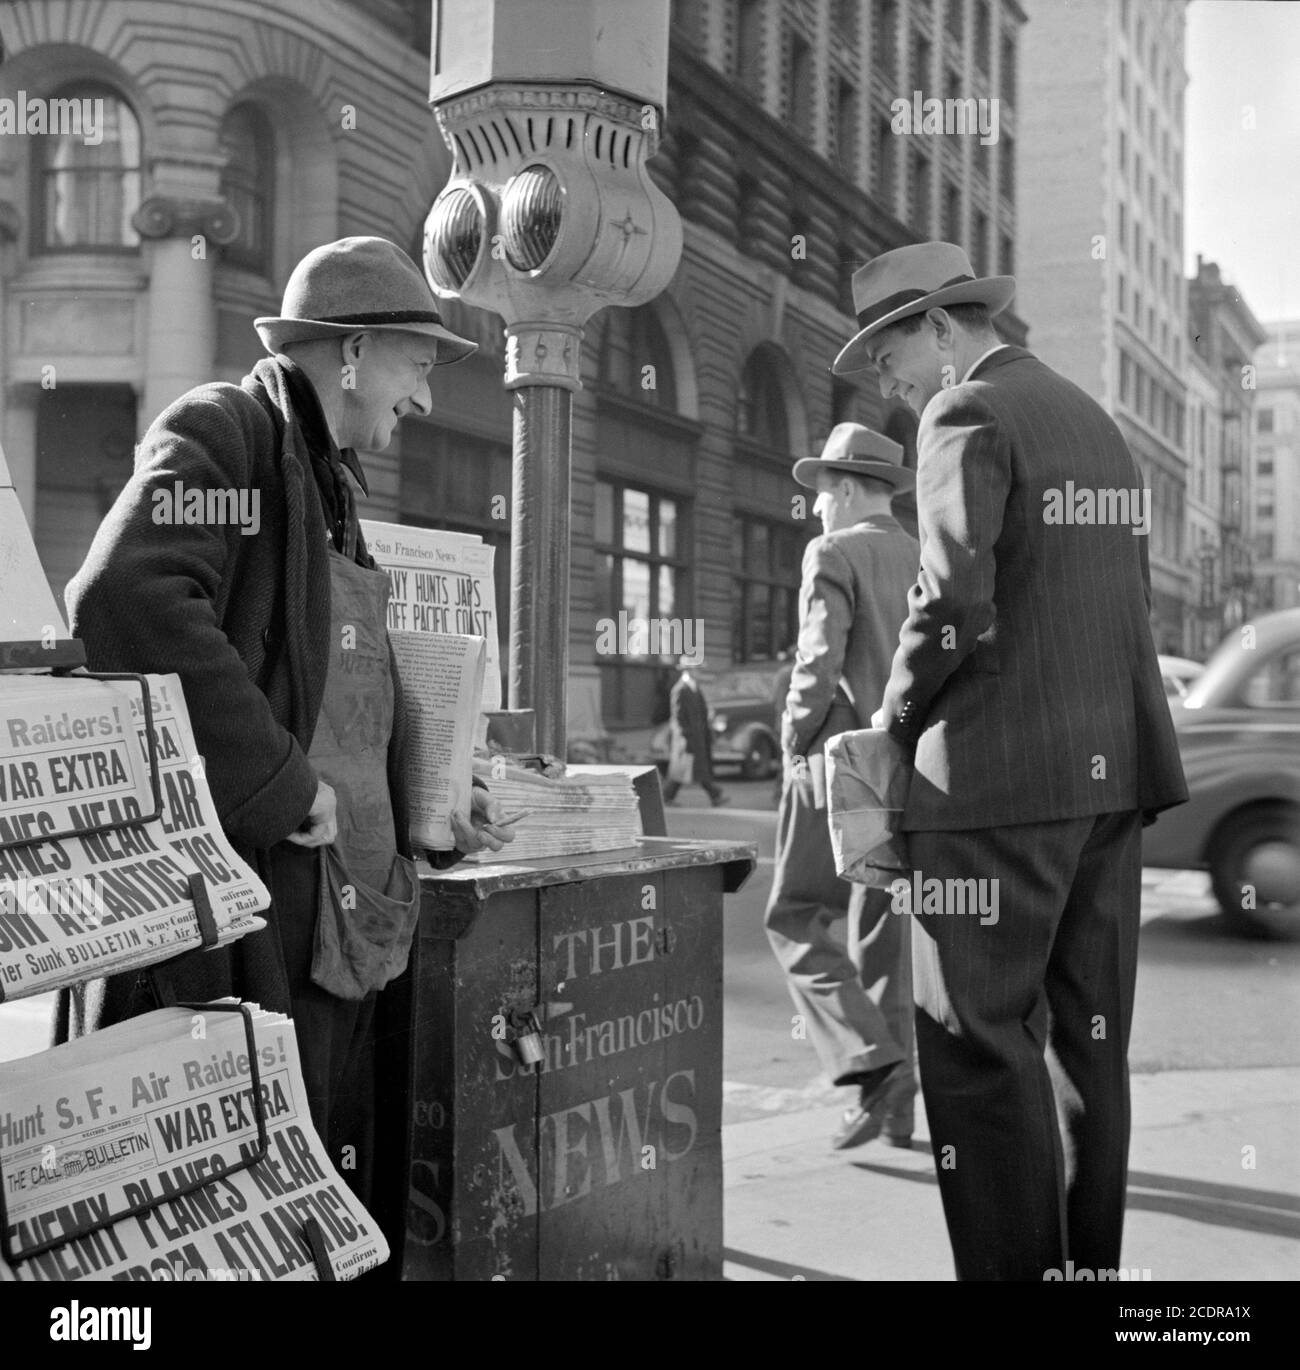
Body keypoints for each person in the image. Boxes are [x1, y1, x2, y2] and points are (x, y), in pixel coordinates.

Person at [56, 236, 517, 1250]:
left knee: (305, 1206)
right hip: (254, 925)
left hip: (336, 930)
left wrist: (429, 804)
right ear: (349, 353)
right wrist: (280, 781)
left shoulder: (328, 479)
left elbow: (337, 686)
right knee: (222, 1218)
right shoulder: (228, 428)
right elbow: (125, 597)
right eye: (417, 364)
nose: (426, 399)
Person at [834, 241, 1188, 1280]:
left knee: (977, 1051)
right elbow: (1128, 605)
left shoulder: (965, 412)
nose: (896, 392)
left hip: (991, 787)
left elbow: (949, 603)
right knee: (1087, 1047)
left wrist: (892, 731)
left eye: (895, 364)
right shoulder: (1096, 424)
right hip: (1108, 780)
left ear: (943, 328)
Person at [764, 424, 920, 1149]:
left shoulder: (833, 550)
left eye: (824, 494)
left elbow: (817, 663)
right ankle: (895, 1099)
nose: (818, 508)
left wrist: (794, 742)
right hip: (911, 765)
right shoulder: (924, 555)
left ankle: (870, 1061)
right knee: (880, 930)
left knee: (794, 915)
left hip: (837, 761)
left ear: (850, 489)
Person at [660, 658, 729, 807]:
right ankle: (714, 794)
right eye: (697, 669)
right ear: (689, 670)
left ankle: (669, 795)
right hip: (687, 738)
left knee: (692, 769)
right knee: (688, 769)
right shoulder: (680, 689)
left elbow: (702, 712)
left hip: (698, 736)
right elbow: (678, 718)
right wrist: (685, 737)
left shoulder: (694, 688)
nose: (700, 673)